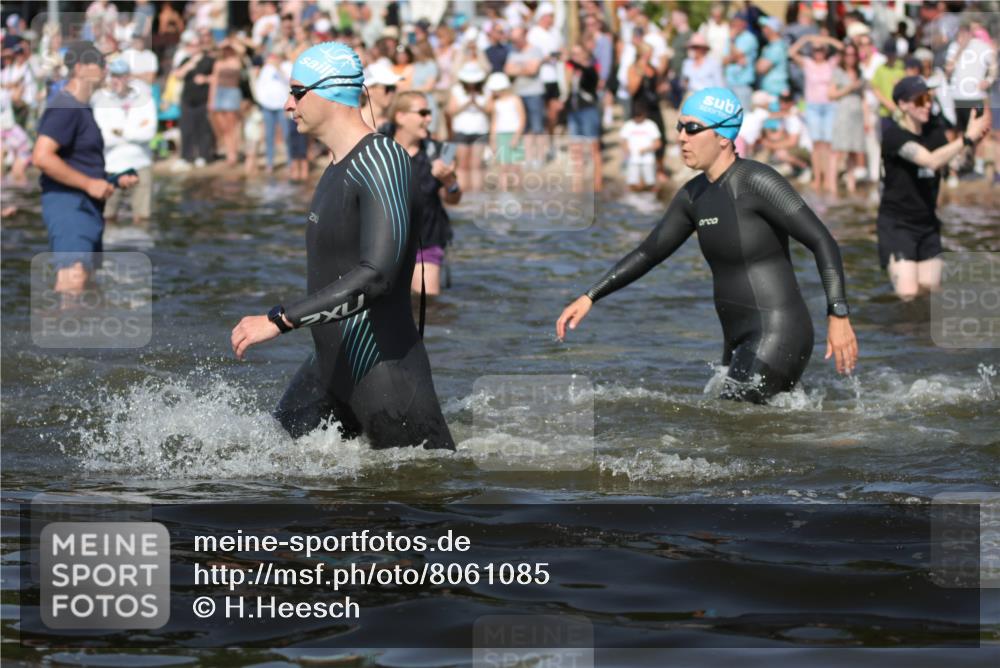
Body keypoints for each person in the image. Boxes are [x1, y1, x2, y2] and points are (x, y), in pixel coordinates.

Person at [556, 88, 857, 403]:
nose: (681, 137)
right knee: (737, 424)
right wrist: (591, 295)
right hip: (736, 338)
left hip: (778, 331)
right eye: (680, 127)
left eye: (692, 128)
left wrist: (838, 314)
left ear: (724, 137)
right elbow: (649, 252)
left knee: (735, 421)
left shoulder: (757, 181)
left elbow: (822, 240)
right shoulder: (693, 195)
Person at [230, 42, 454, 450]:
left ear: (331, 92)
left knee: (417, 485)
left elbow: (378, 276)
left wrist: (281, 319)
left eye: (297, 92)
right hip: (330, 364)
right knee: (264, 460)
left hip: (383, 373)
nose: (288, 104)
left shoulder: (382, 159)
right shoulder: (337, 166)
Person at [32, 41, 138, 300]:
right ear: (79, 68)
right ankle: (61, 326)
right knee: (74, 278)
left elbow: (78, 163)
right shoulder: (65, 106)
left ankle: (80, 327)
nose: (105, 69)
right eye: (99, 63)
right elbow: (42, 156)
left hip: (86, 207)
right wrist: (89, 184)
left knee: (88, 285)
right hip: (68, 205)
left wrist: (112, 180)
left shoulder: (82, 108)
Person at [876, 76, 990, 301]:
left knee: (930, 291)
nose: (927, 104)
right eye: (920, 100)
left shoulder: (934, 132)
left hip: (927, 224)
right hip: (898, 226)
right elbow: (930, 161)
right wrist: (966, 138)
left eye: (929, 98)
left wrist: (973, 143)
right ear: (903, 105)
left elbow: (957, 165)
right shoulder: (894, 136)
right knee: (908, 294)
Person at [387, 91, 461, 295]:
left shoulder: (442, 151)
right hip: (385, 242)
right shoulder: (380, 148)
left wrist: (449, 181)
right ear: (400, 116)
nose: (429, 118)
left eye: (429, 113)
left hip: (427, 240)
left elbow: (453, 199)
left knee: (428, 304)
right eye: (423, 113)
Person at [92, 59, 157, 227]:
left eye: (121, 76)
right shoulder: (100, 100)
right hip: (111, 165)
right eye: (114, 76)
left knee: (143, 218)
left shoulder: (144, 99)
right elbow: (101, 137)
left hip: (140, 164)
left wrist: (121, 132)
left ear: (128, 77)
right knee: (107, 217)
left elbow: (149, 132)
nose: (117, 80)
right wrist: (134, 130)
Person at [619, 99, 661, 192]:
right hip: (632, 161)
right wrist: (626, 150)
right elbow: (623, 141)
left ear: (644, 114)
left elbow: (658, 143)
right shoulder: (628, 125)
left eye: (639, 116)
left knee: (650, 185)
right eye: (635, 116)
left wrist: (646, 149)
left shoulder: (651, 125)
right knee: (632, 185)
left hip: (648, 161)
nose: (637, 118)